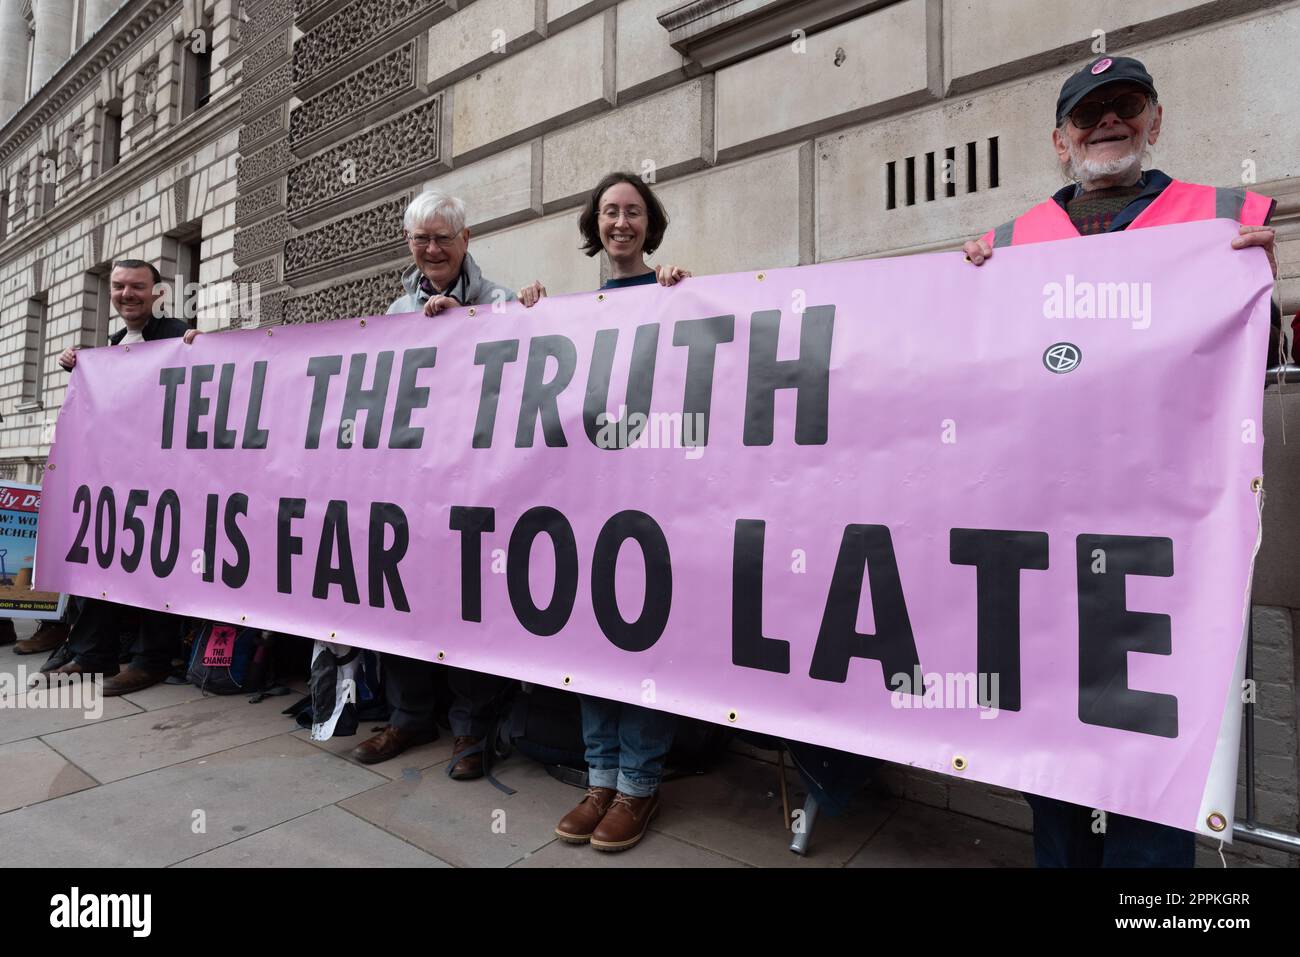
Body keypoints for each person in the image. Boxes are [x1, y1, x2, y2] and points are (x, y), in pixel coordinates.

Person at [963, 55, 1278, 868]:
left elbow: (1261, 366)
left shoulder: (1220, 222)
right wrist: (955, 296)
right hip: (1044, 549)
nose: (1108, 123)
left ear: (1155, 120)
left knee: (1155, 765)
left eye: (1125, 106)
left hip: (1164, 552)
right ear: (1061, 141)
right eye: (1089, 113)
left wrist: (1259, 290)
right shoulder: (1005, 245)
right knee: (1054, 762)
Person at [353, 190, 543, 778]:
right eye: (421, 239)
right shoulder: (393, 313)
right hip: (413, 489)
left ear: (467, 241)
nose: (432, 249)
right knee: (405, 600)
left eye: (443, 237)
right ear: (409, 244)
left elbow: (525, 378)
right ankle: (409, 716)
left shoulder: (500, 302)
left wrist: (533, 313)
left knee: (471, 606)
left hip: (481, 489)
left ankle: (471, 729)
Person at [552, 172, 690, 852]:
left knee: (641, 641)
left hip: (653, 499)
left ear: (649, 222)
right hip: (591, 503)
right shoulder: (575, 309)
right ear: (595, 224)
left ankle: (639, 783)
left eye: (633, 211)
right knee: (593, 641)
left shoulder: (674, 292)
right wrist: (528, 312)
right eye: (610, 212)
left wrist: (689, 293)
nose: (621, 223)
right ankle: (599, 775)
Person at [36, 260, 200, 696]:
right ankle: (93, 655)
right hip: (114, 480)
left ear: (157, 293)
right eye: (119, 286)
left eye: (138, 287)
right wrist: (77, 363)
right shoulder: (110, 345)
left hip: (163, 480)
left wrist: (203, 346)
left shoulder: (178, 333)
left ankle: (151, 661)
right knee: (101, 561)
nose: (128, 294)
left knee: (154, 568)